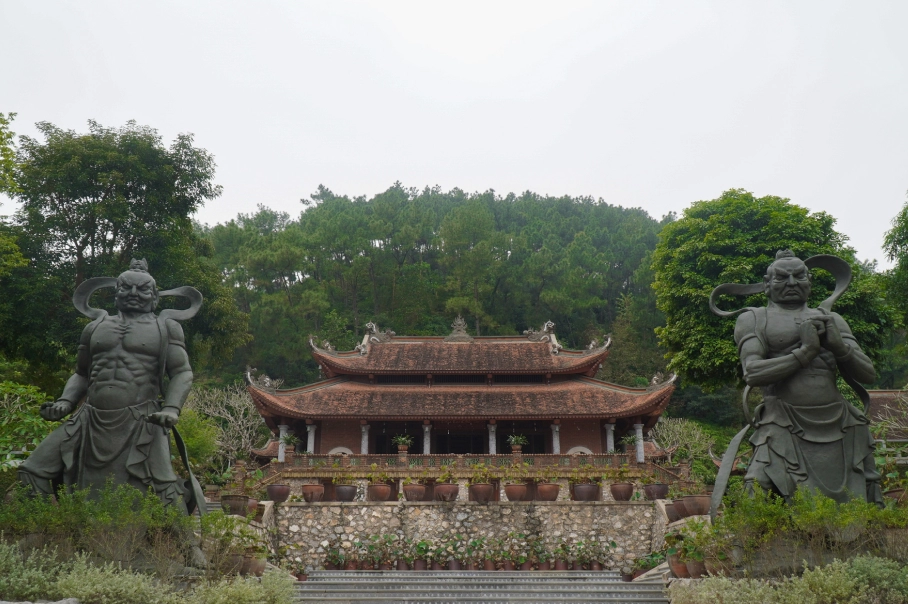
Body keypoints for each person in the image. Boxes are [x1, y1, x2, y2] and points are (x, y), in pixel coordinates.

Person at [17, 259, 204, 513]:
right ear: (116, 292)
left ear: (155, 297)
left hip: (142, 419)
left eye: (142, 289)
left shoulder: (166, 328)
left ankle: (181, 539)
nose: (133, 293)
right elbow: (81, 374)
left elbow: (182, 372)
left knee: (164, 488)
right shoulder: (95, 327)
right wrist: (65, 402)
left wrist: (172, 408)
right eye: (126, 287)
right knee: (33, 470)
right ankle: (45, 529)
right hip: (88, 417)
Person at [713, 250, 881, 505]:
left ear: (809, 281)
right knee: (758, 486)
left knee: (867, 487)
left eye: (799, 276)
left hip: (840, 421)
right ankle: (749, 531)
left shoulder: (832, 320)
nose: (791, 283)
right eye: (782, 278)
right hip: (782, 420)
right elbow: (753, 372)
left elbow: (868, 374)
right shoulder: (755, 319)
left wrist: (838, 346)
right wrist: (806, 352)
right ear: (767, 284)